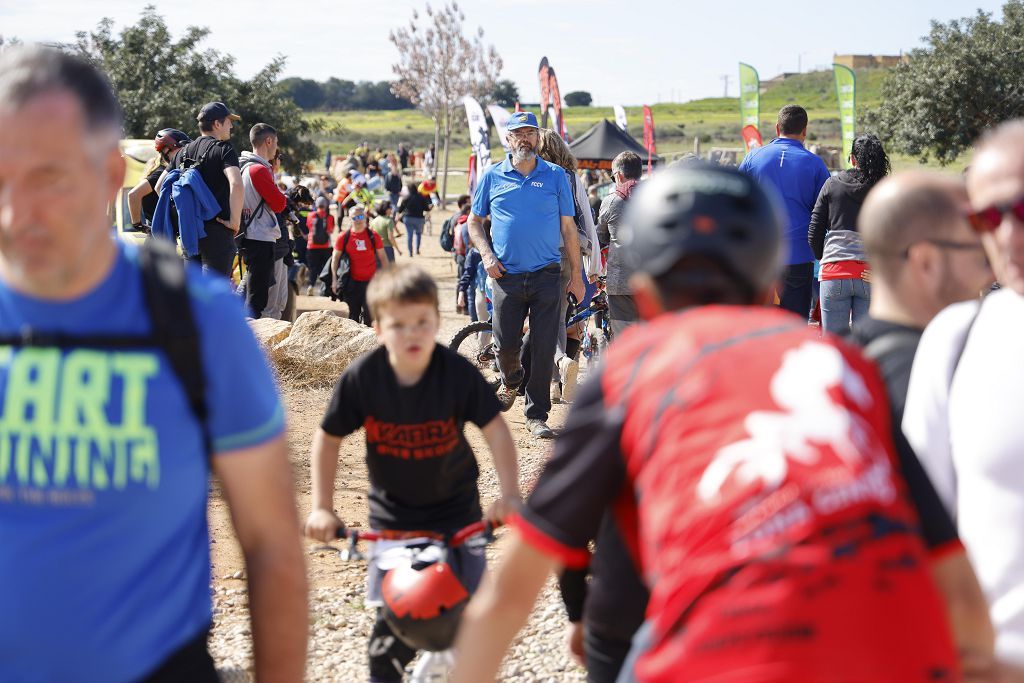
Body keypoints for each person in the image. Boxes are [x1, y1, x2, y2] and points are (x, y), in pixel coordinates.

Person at [452, 165, 974, 683]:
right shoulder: (845, 365)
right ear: (772, 283)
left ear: (645, 292)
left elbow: (510, 595)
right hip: (899, 658)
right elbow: (956, 584)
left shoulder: (634, 370)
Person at [0, 46, 307, 682]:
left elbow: (273, 547)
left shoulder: (198, 321)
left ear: (110, 174)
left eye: (48, 176)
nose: (14, 212)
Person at [303, 264, 521, 683]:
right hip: (394, 521)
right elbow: (327, 439)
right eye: (398, 325)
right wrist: (321, 507)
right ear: (378, 328)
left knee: (474, 620)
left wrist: (509, 493)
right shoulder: (364, 378)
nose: (412, 333)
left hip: (457, 514)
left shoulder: (455, 374)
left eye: (422, 322)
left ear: (437, 323)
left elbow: (496, 431)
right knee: (393, 630)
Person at [903, 119, 1024, 676]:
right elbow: (918, 539)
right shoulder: (957, 339)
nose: (1005, 236)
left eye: (1020, 210)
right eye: (987, 218)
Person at [468, 111, 585, 439]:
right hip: (505, 275)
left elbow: (568, 228)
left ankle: (537, 415)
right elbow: (474, 223)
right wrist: (487, 255)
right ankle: (510, 378)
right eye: (517, 133)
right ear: (507, 140)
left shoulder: (556, 175)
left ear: (538, 137)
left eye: (530, 133)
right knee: (505, 343)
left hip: (547, 274)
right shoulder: (492, 176)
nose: (525, 139)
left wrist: (577, 275)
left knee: (545, 343)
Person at [739, 104, 830, 319]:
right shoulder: (815, 164)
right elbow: (826, 211)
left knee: (760, 322)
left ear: (777, 127)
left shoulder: (753, 158)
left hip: (762, 253)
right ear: (805, 130)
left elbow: (740, 201)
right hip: (799, 254)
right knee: (796, 323)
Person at [537, 128, 602, 403]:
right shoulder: (572, 178)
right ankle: (556, 383)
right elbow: (587, 219)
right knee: (560, 318)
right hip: (569, 252)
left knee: (542, 318)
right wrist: (594, 265)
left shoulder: (536, 177)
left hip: (539, 253)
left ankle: (557, 370)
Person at [808, 134, 890, 333]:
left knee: (835, 346)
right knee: (866, 347)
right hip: (869, 273)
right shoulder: (884, 189)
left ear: (853, 159)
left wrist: (827, 259)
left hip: (834, 272)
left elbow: (814, 232)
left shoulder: (832, 185)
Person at [163, 101, 245, 277]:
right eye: (228, 121)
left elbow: (159, 187)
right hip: (217, 232)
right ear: (217, 123)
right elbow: (236, 184)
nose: (231, 125)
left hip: (189, 232)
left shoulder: (181, 152)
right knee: (214, 295)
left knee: (194, 295)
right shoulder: (224, 149)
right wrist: (234, 221)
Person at [239, 123, 287, 319]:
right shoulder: (258, 170)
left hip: (250, 234)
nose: (276, 148)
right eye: (275, 142)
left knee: (254, 292)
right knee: (257, 299)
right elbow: (279, 204)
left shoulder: (244, 166)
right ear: (268, 141)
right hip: (260, 237)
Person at [597, 151, 642, 338]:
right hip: (651, 281)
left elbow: (600, 236)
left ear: (618, 175)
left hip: (620, 281)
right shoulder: (656, 197)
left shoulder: (611, 201)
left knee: (624, 339)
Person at [332, 203, 389, 325]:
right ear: (350, 219)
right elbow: (335, 258)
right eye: (355, 218)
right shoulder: (344, 237)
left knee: (369, 316)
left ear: (365, 217)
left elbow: (383, 258)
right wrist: (334, 280)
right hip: (351, 283)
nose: (358, 220)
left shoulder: (373, 236)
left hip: (370, 282)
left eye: (360, 217)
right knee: (353, 316)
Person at [127, 128, 191, 230]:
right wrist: (138, 225)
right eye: (181, 150)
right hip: (159, 236)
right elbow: (133, 194)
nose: (183, 154)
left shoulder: (161, 170)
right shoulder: (160, 173)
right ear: (167, 150)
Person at [305, 196, 335, 295]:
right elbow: (330, 230)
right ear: (326, 206)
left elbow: (309, 227)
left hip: (311, 246)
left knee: (313, 268)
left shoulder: (311, 215)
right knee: (325, 268)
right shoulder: (330, 217)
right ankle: (325, 289)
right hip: (325, 246)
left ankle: (311, 286)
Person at [396, 181, 431, 257]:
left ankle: (410, 252)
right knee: (418, 234)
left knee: (409, 235)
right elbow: (427, 209)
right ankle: (417, 250)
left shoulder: (406, 198)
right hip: (419, 219)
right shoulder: (421, 197)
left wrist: (397, 216)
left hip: (408, 218)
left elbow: (400, 209)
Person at [370, 198, 402, 263]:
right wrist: (398, 249)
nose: (391, 209)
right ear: (387, 210)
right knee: (390, 271)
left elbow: (370, 235)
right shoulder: (388, 221)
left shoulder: (374, 221)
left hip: (376, 249)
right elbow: (391, 238)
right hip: (387, 248)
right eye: (390, 207)